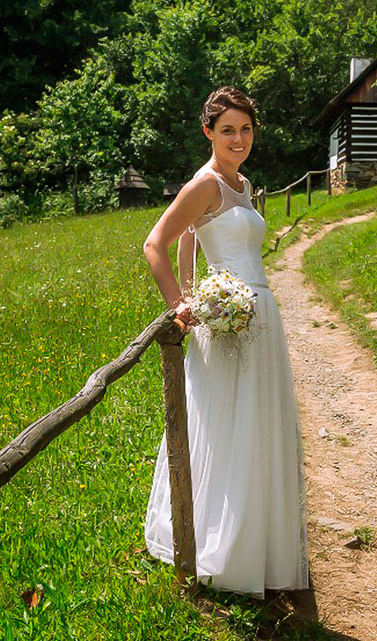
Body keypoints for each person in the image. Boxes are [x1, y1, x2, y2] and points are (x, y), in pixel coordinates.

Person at [141, 86, 309, 597]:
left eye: (246, 129)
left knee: (254, 426)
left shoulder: (243, 184)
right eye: (228, 130)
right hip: (228, 324)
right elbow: (156, 243)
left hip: (261, 317)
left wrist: (199, 287)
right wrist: (182, 304)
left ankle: (255, 544)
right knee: (221, 427)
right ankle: (220, 547)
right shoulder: (205, 183)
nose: (239, 139)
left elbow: (195, 241)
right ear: (209, 132)